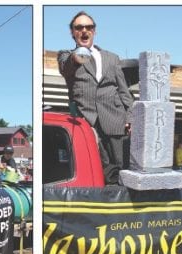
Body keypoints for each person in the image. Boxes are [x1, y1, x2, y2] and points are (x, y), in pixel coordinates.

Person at [57, 11, 134, 184]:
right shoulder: (66, 56)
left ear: (94, 31)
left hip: (115, 121)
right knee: (97, 172)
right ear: (72, 32)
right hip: (87, 123)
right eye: (79, 27)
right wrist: (78, 55)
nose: (84, 30)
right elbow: (67, 67)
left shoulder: (112, 58)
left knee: (122, 169)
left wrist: (131, 117)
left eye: (89, 27)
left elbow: (124, 91)